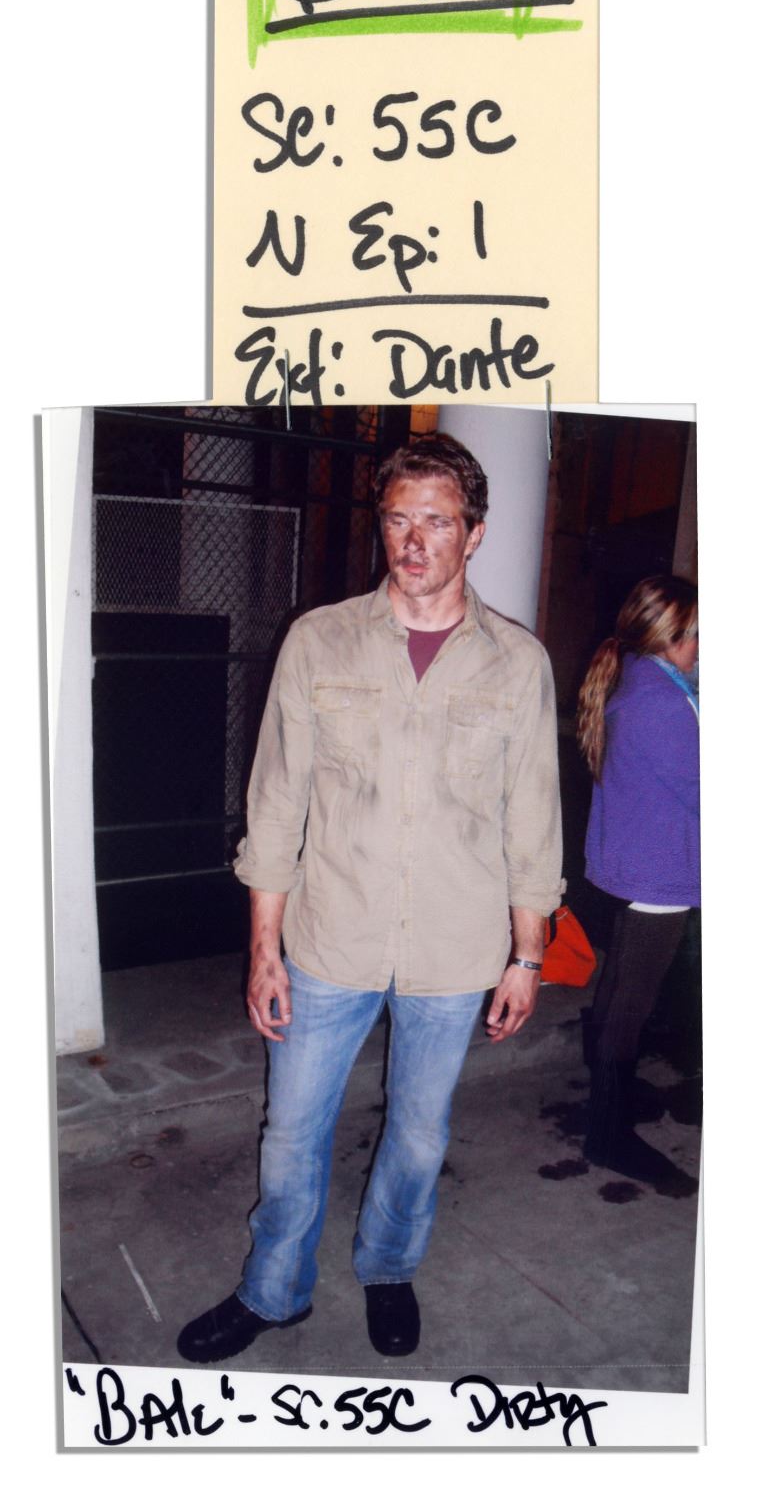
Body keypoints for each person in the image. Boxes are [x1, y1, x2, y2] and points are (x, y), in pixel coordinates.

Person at [178, 431, 564, 1366]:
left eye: (437, 521)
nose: (413, 541)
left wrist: (527, 955)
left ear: (474, 533)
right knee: (290, 1133)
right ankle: (273, 1290)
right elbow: (275, 803)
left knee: (419, 1135)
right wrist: (264, 950)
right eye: (397, 519)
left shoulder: (517, 664)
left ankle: (388, 1269)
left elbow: (532, 821)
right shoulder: (319, 641)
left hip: (454, 947)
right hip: (328, 939)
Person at [576, 575, 700, 1190]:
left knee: (621, 988)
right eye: (698, 634)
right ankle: (607, 1133)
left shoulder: (647, 683)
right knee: (632, 1000)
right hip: (658, 871)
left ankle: (615, 1094)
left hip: (643, 865)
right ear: (671, 637)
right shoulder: (661, 702)